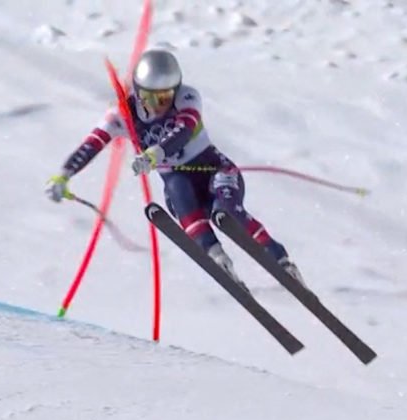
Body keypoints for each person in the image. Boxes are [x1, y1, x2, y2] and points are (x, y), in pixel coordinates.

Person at [44, 49, 304, 288]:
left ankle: (280, 260)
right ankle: (217, 258)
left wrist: (154, 153)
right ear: (139, 92)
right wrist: (64, 175)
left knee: (226, 210)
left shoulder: (187, 97)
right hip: (178, 180)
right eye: (153, 98)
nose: (161, 105)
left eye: (166, 96)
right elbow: (91, 144)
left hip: (214, 170)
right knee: (179, 194)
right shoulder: (122, 116)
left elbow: (184, 130)